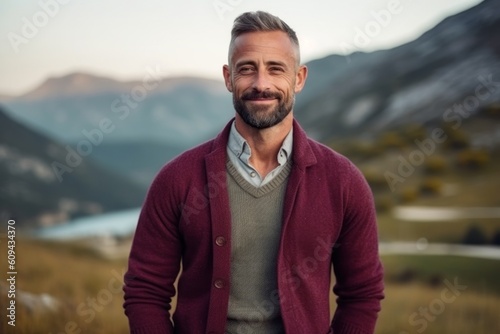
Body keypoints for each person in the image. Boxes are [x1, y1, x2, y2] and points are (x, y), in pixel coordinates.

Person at [123, 11, 384, 334]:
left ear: (299, 78)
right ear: (228, 77)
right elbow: (145, 290)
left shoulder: (343, 182)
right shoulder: (177, 179)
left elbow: (362, 294)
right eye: (247, 69)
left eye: (276, 69)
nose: (262, 84)